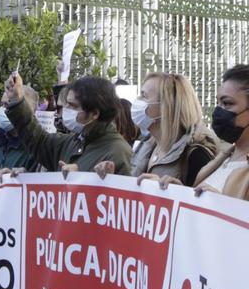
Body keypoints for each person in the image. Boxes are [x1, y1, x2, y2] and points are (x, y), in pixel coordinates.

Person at [0, 73, 132, 181]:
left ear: (94, 113)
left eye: (73, 106)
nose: (65, 111)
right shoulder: (73, 142)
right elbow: (38, 141)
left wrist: (81, 175)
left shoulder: (118, 152)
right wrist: (17, 102)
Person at [95, 73, 217, 187]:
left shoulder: (197, 154)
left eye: (144, 96)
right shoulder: (145, 145)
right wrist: (113, 176)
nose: (137, 101)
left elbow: (202, 203)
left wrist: (174, 190)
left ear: (166, 107)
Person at [186, 65, 249, 199]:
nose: (219, 111)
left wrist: (222, 205)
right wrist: (172, 190)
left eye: (227, 103)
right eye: (218, 103)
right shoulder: (225, 157)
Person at [0, 87, 39, 172]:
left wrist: (19, 177)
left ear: (31, 110)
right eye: (2, 104)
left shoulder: (37, 148)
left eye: (10, 104)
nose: (4, 109)